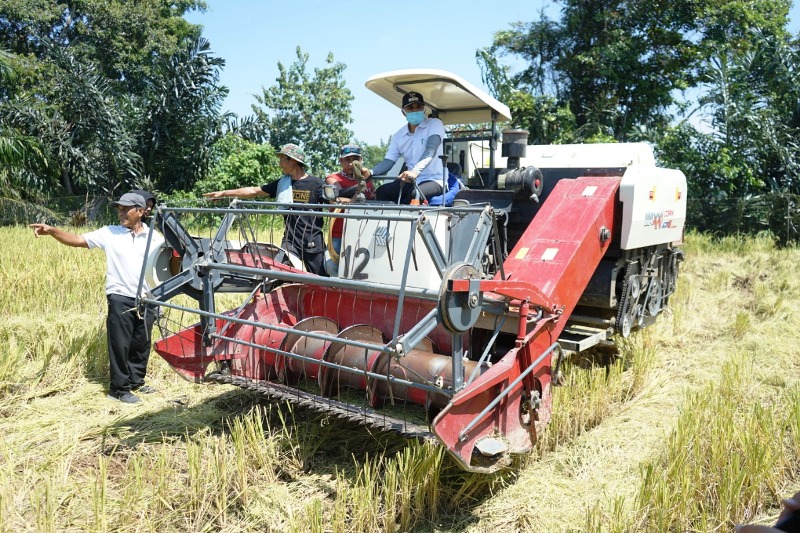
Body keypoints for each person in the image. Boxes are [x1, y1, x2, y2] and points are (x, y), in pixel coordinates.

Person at [30, 192, 165, 404]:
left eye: (125, 208)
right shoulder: (109, 233)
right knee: (120, 344)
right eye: (118, 208)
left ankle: (137, 381)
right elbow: (77, 240)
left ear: (140, 211)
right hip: (120, 297)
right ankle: (119, 389)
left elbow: (165, 265)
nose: (120, 212)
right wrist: (53, 231)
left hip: (147, 299)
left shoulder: (155, 237)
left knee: (141, 343)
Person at [203, 143, 328, 276]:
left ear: (293, 160)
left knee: (322, 279)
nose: (280, 164)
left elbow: (335, 200)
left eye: (282, 159)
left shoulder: (316, 184)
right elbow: (253, 190)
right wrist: (224, 193)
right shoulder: (283, 184)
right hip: (290, 242)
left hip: (312, 241)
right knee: (282, 275)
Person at [361, 91, 445, 204]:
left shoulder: (435, 124)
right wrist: (370, 172)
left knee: (414, 194)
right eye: (410, 107)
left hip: (434, 180)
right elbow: (389, 161)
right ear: (403, 112)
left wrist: (414, 171)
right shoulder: (398, 136)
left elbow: (431, 149)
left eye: (418, 107)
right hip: (410, 180)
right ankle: (386, 221)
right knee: (382, 191)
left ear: (424, 109)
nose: (415, 110)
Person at [325, 143, 375, 254]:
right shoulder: (333, 178)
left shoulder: (369, 180)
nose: (351, 163)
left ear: (361, 160)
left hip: (363, 233)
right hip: (339, 233)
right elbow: (337, 196)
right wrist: (353, 198)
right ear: (340, 161)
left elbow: (373, 202)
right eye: (347, 159)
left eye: (355, 159)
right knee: (331, 267)